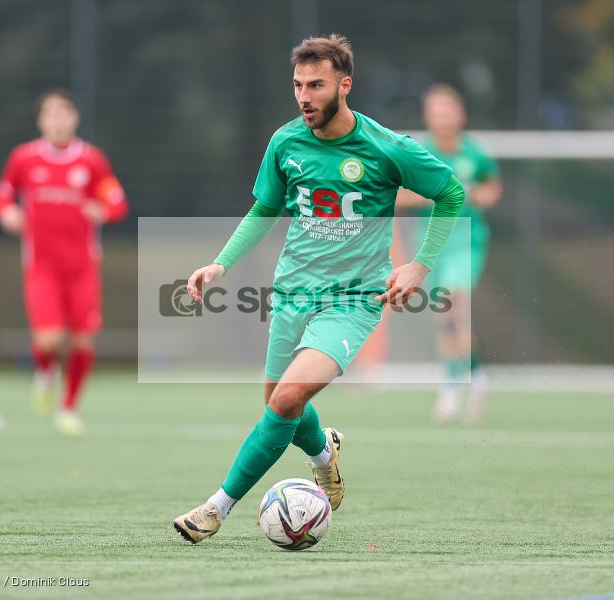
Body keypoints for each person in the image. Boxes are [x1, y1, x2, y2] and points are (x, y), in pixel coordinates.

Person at [172, 35, 465, 543]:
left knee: (285, 399)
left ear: (344, 86)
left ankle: (216, 508)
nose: (304, 96)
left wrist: (420, 264)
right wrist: (220, 265)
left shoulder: (385, 147)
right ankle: (324, 455)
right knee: (280, 406)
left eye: (316, 85)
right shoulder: (286, 143)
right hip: (290, 294)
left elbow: (451, 192)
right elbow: (265, 208)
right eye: (297, 86)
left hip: (352, 302)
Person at [0, 89, 128, 435]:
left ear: (75, 118)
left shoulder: (92, 161)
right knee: (49, 340)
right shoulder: (23, 159)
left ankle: (68, 408)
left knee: (82, 341)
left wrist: (103, 210)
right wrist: (7, 212)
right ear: (40, 121)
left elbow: (117, 202)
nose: (57, 120)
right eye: (50, 114)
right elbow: (1, 196)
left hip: (82, 268)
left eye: (64, 113)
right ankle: (45, 372)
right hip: (42, 267)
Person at [396, 84, 502, 423]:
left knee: (456, 302)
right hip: (429, 244)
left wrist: (480, 195)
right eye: (436, 110)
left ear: (460, 115)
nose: (442, 117)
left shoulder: (474, 154)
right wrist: (442, 196)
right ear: (427, 116)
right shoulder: (416, 155)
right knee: (445, 316)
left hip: (466, 241)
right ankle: (469, 377)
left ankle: (453, 388)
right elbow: (397, 197)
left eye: (448, 110)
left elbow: (491, 187)